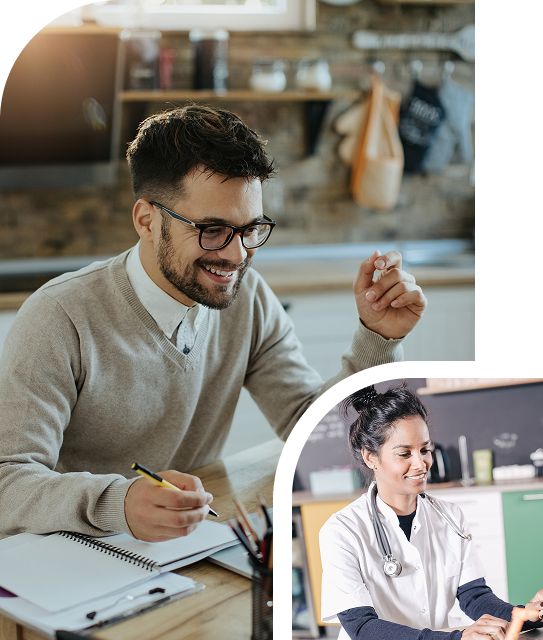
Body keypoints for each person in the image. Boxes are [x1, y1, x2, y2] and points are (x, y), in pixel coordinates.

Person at [0, 104, 427, 543]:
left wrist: (379, 338)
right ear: (147, 221)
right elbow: (7, 482)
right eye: (212, 230)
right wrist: (119, 503)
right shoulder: (59, 317)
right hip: (72, 550)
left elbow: (312, 427)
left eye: (250, 229)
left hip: (187, 544)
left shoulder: (249, 297)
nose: (237, 255)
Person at [319, 382, 543, 640]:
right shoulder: (341, 532)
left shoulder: (450, 516)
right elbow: (362, 628)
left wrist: (525, 614)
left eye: (425, 450)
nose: (421, 464)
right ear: (371, 457)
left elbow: (474, 597)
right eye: (404, 453)